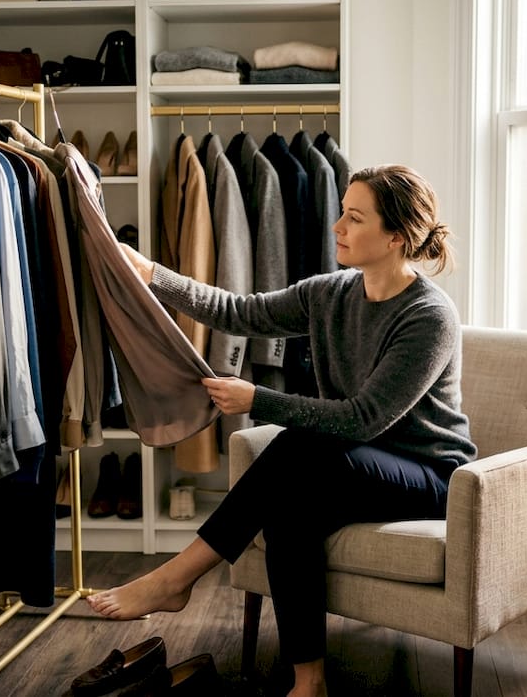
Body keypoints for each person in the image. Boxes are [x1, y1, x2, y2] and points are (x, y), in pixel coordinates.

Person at [87, 164, 477, 697]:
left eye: (354, 217)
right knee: (291, 508)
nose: (337, 226)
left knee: (297, 444)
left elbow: (365, 418)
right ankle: (308, 681)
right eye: (341, 211)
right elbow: (239, 312)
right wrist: (153, 272)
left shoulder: (429, 317)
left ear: (396, 238)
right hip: (350, 462)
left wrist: (259, 400)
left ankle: (176, 577)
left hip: (428, 476)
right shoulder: (331, 293)